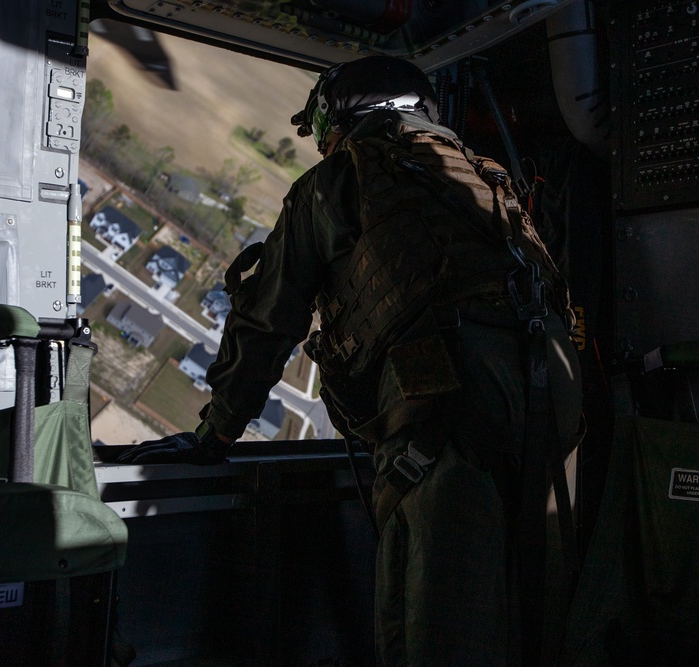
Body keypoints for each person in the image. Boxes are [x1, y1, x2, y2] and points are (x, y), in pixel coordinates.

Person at [118, 55, 583, 665]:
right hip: (552, 397)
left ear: (339, 118)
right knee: (539, 604)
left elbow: (268, 322)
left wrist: (215, 433)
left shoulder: (335, 182)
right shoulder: (480, 175)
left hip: (447, 402)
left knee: (437, 622)